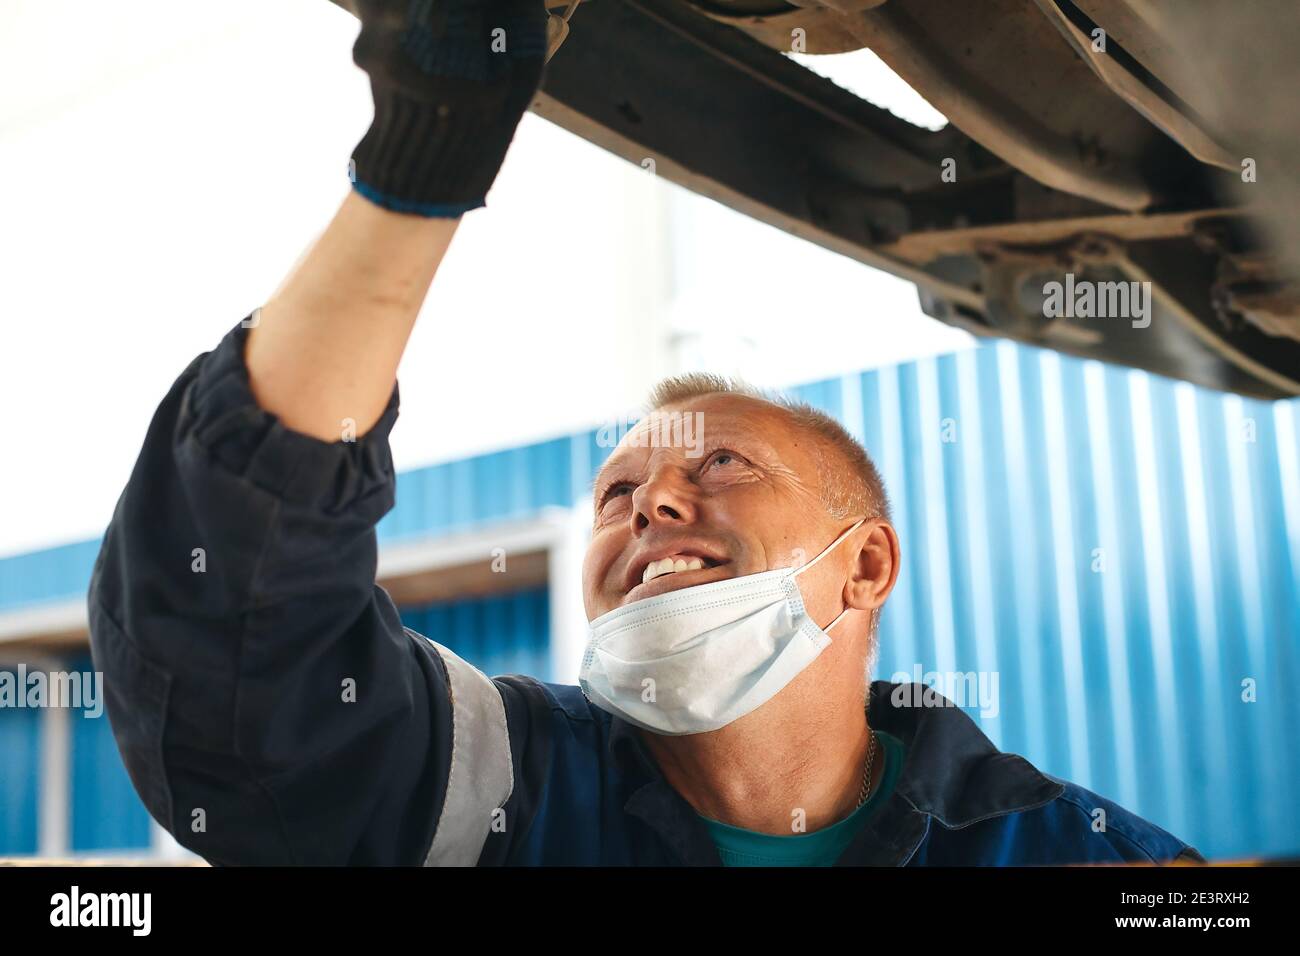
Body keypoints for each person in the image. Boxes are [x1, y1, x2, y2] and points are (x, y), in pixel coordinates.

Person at [87, 0, 1204, 866]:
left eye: (718, 463)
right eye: (617, 493)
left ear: (864, 562)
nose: (647, 507)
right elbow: (234, 648)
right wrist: (423, 156)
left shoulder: (1067, 853)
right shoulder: (498, 794)